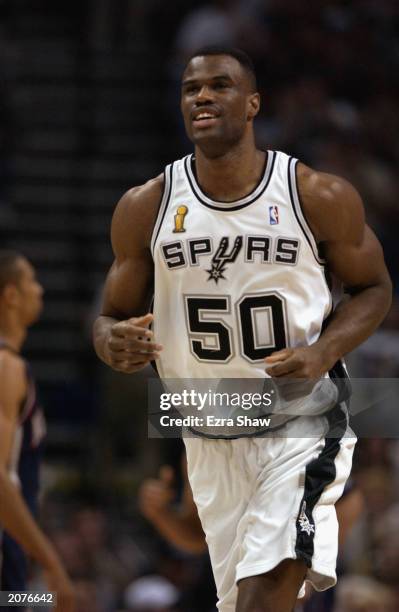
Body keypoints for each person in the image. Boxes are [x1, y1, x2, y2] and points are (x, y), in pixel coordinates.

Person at [93, 46, 392, 612]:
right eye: (190, 88)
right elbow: (111, 318)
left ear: (253, 104)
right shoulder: (146, 206)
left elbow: (374, 288)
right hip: (207, 430)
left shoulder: (314, 195)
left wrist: (324, 351)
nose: (202, 96)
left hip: (298, 420)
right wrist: (111, 341)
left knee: (262, 597)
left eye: (220, 85)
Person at [0, 250, 74, 612]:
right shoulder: (6, 367)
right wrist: (51, 563)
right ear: (11, 295)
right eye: (31, 280)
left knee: (35, 603)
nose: (40, 290)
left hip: (11, 579)